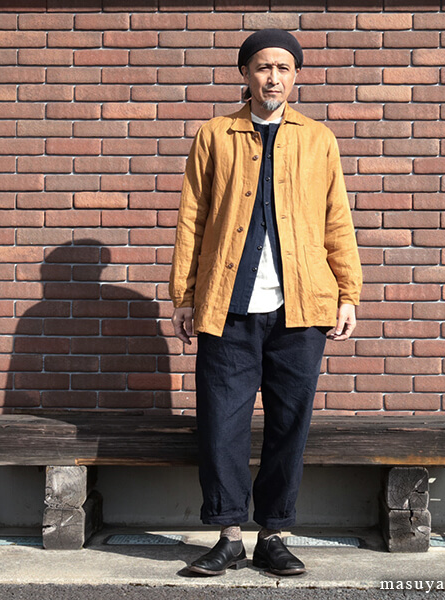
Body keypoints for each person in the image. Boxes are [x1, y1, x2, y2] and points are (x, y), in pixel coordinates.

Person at [169, 28, 362, 576]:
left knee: (288, 423)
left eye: (283, 68)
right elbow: (192, 218)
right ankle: (229, 535)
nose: (272, 77)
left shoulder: (318, 139)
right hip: (226, 306)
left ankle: (274, 534)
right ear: (245, 74)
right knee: (220, 423)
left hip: (302, 308)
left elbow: (337, 219)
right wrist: (184, 294)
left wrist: (348, 292)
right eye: (262, 67)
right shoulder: (215, 134)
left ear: (295, 76)